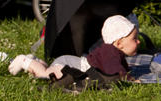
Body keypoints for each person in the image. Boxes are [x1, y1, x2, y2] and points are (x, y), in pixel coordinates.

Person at [9, 15, 139, 81]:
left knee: (49, 69)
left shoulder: (114, 51)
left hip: (71, 62)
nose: (138, 42)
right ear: (119, 43)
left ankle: (34, 60)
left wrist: (129, 75)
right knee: (46, 75)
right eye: (134, 39)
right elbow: (115, 72)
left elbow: (122, 67)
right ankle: (24, 61)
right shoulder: (111, 53)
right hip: (70, 66)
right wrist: (129, 81)